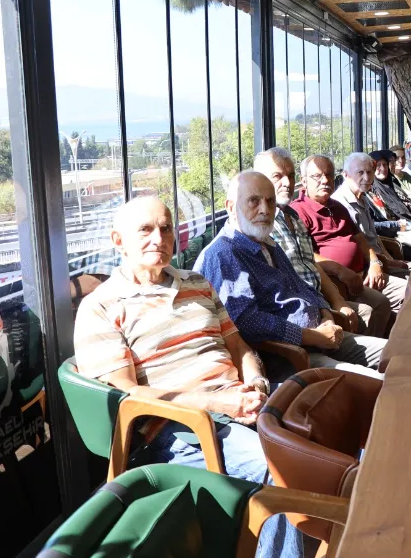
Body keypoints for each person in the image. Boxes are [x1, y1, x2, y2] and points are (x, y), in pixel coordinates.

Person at [73, 196, 303, 558]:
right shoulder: (100, 307)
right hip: (183, 427)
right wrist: (217, 403)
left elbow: (238, 346)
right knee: (281, 471)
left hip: (242, 400)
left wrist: (256, 383)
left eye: (166, 228)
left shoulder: (197, 283)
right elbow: (130, 394)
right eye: (145, 230)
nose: (159, 238)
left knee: (330, 429)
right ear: (119, 241)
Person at [195, 171, 386, 379]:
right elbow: (246, 322)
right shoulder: (224, 253)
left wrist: (326, 314)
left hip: (321, 336)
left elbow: (300, 285)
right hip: (290, 357)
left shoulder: (267, 243)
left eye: (270, 201)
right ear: (231, 207)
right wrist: (310, 337)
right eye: (254, 201)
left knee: (395, 352)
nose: (265, 210)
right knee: (378, 381)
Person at [253, 147, 391, 338]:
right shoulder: (260, 229)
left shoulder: (292, 216)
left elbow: (310, 262)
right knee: (372, 313)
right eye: (277, 176)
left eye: (290, 176)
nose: (287, 183)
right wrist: (332, 297)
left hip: (333, 291)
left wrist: (376, 262)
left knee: (386, 304)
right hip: (311, 309)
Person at [293, 154, 408, 314]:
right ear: (304, 181)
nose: (325, 180)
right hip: (338, 283)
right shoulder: (297, 211)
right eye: (317, 176)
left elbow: (360, 239)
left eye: (329, 175)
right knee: (383, 304)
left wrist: (375, 263)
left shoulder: (337, 206)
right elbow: (306, 255)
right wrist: (340, 270)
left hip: (366, 272)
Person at [333, 152, 411, 262]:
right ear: (345, 175)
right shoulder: (340, 204)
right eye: (360, 172)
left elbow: (374, 236)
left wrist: (391, 260)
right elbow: (356, 248)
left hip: (383, 259)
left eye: (369, 172)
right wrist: (387, 264)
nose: (366, 178)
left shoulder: (363, 197)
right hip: (370, 265)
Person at [370, 149, 411, 223]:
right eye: (378, 165)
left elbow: (403, 204)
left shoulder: (390, 183)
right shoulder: (372, 191)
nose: (383, 168)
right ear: (371, 168)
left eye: (385, 164)